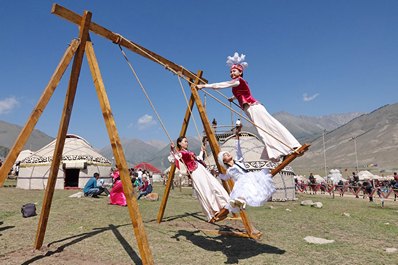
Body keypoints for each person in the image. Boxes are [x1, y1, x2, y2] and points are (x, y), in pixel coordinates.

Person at [197, 52, 301, 162]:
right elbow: (243, 93)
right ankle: (284, 150)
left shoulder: (238, 81)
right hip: (251, 109)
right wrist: (233, 98)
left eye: (234, 71)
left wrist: (204, 86)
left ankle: (290, 146)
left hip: (253, 107)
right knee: (265, 129)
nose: (232, 73)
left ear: (240, 72)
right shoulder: (240, 83)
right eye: (231, 71)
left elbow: (221, 85)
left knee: (267, 128)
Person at [169, 136, 235, 222]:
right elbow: (173, 159)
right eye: (185, 141)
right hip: (195, 172)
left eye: (187, 141)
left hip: (201, 170)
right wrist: (173, 149)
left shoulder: (188, 152)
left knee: (213, 184)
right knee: (205, 189)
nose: (187, 143)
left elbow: (198, 159)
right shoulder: (180, 153)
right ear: (179, 143)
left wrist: (202, 151)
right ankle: (213, 211)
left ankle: (222, 204)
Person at [217, 125, 275, 208]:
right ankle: (240, 201)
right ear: (224, 161)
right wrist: (216, 173)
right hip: (241, 182)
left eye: (227, 153)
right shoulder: (229, 171)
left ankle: (241, 201)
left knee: (266, 169)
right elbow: (225, 177)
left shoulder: (239, 159)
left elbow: (238, 149)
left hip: (249, 176)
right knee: (242, 188)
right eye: (225, 155)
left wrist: (237, 135)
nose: (228, 154)